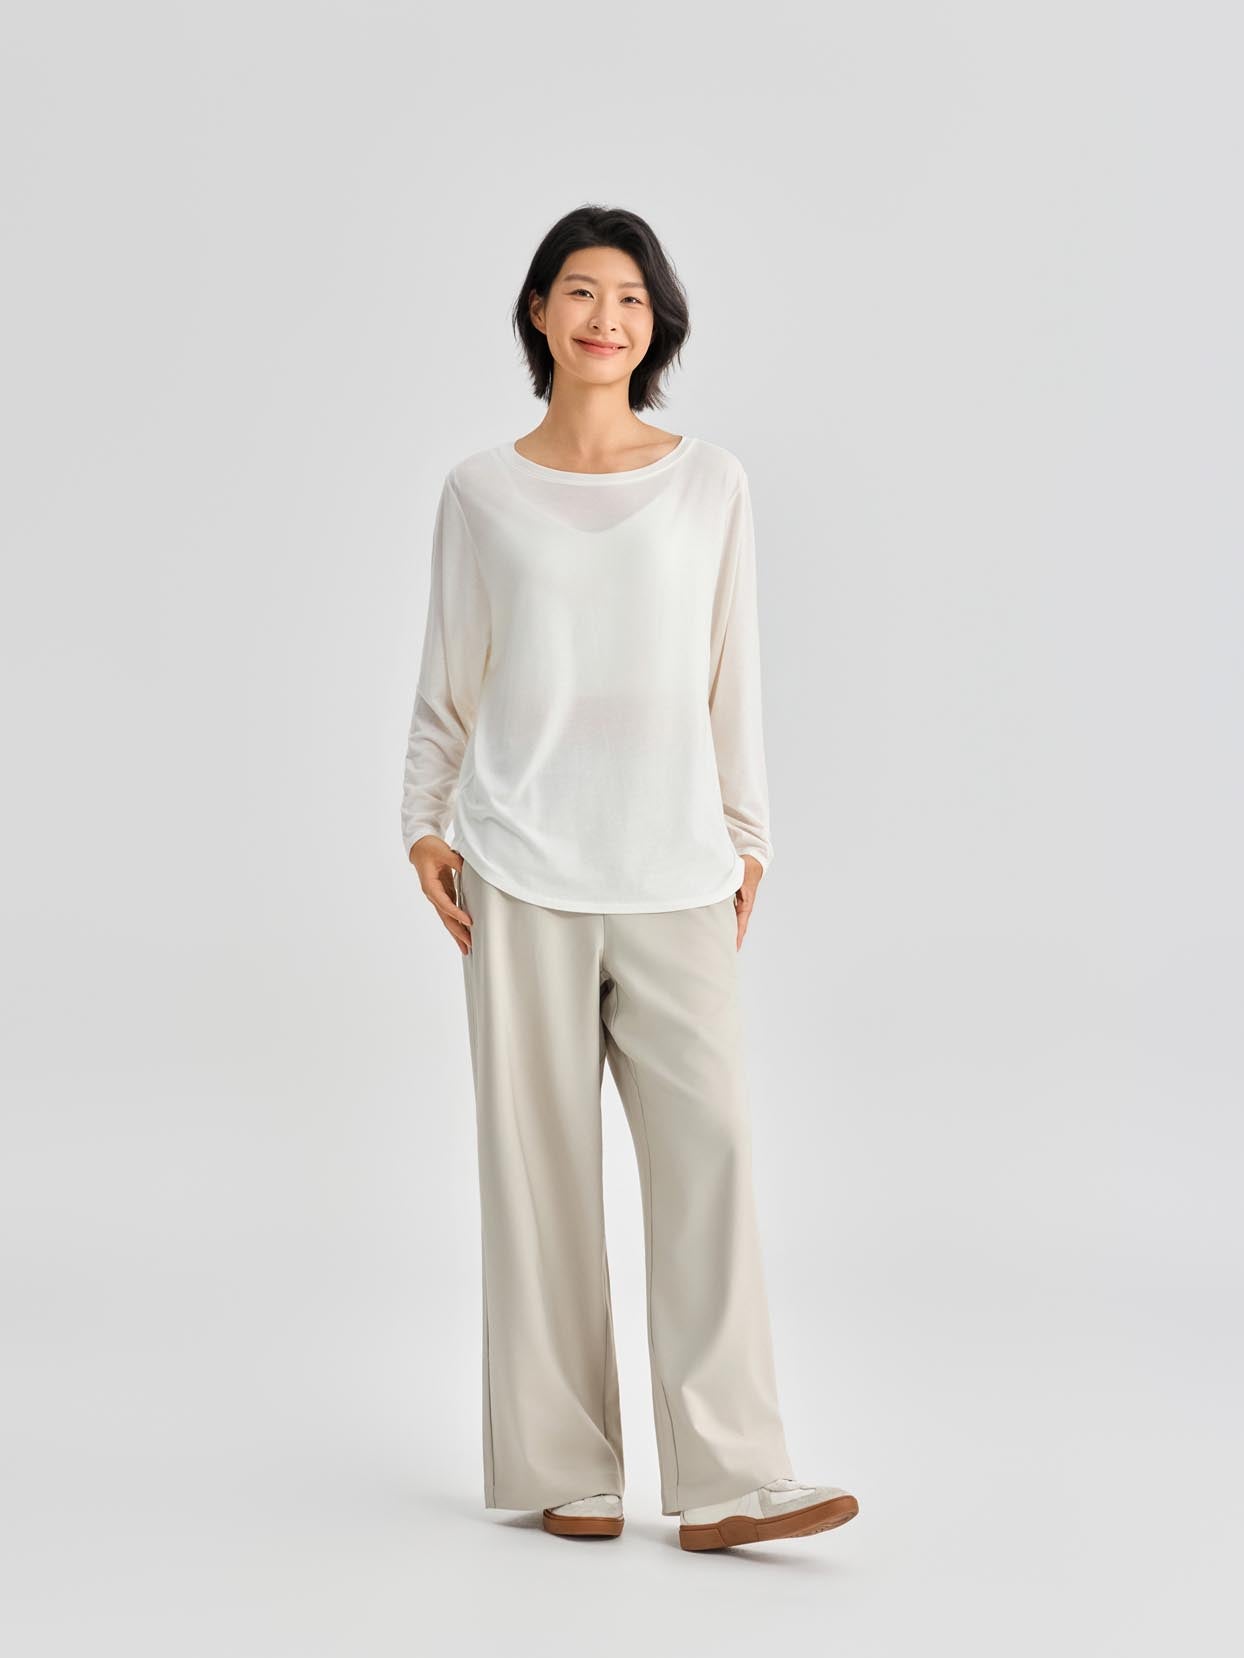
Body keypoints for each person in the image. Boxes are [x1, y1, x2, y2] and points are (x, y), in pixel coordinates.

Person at [401, 204, 859, 1552]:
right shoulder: (480, 491)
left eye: (632, 299)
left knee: (709, 1162)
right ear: (539, 311)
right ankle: (568, 1467)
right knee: (537, 1175)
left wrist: (748, 834)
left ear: (656, 325)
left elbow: (732, 669)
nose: (607, 317)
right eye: (582, 292)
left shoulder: (710, 482)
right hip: (518, 863)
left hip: (675, 864)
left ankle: (732, 1475)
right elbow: (449, 675)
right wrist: (422, 822)